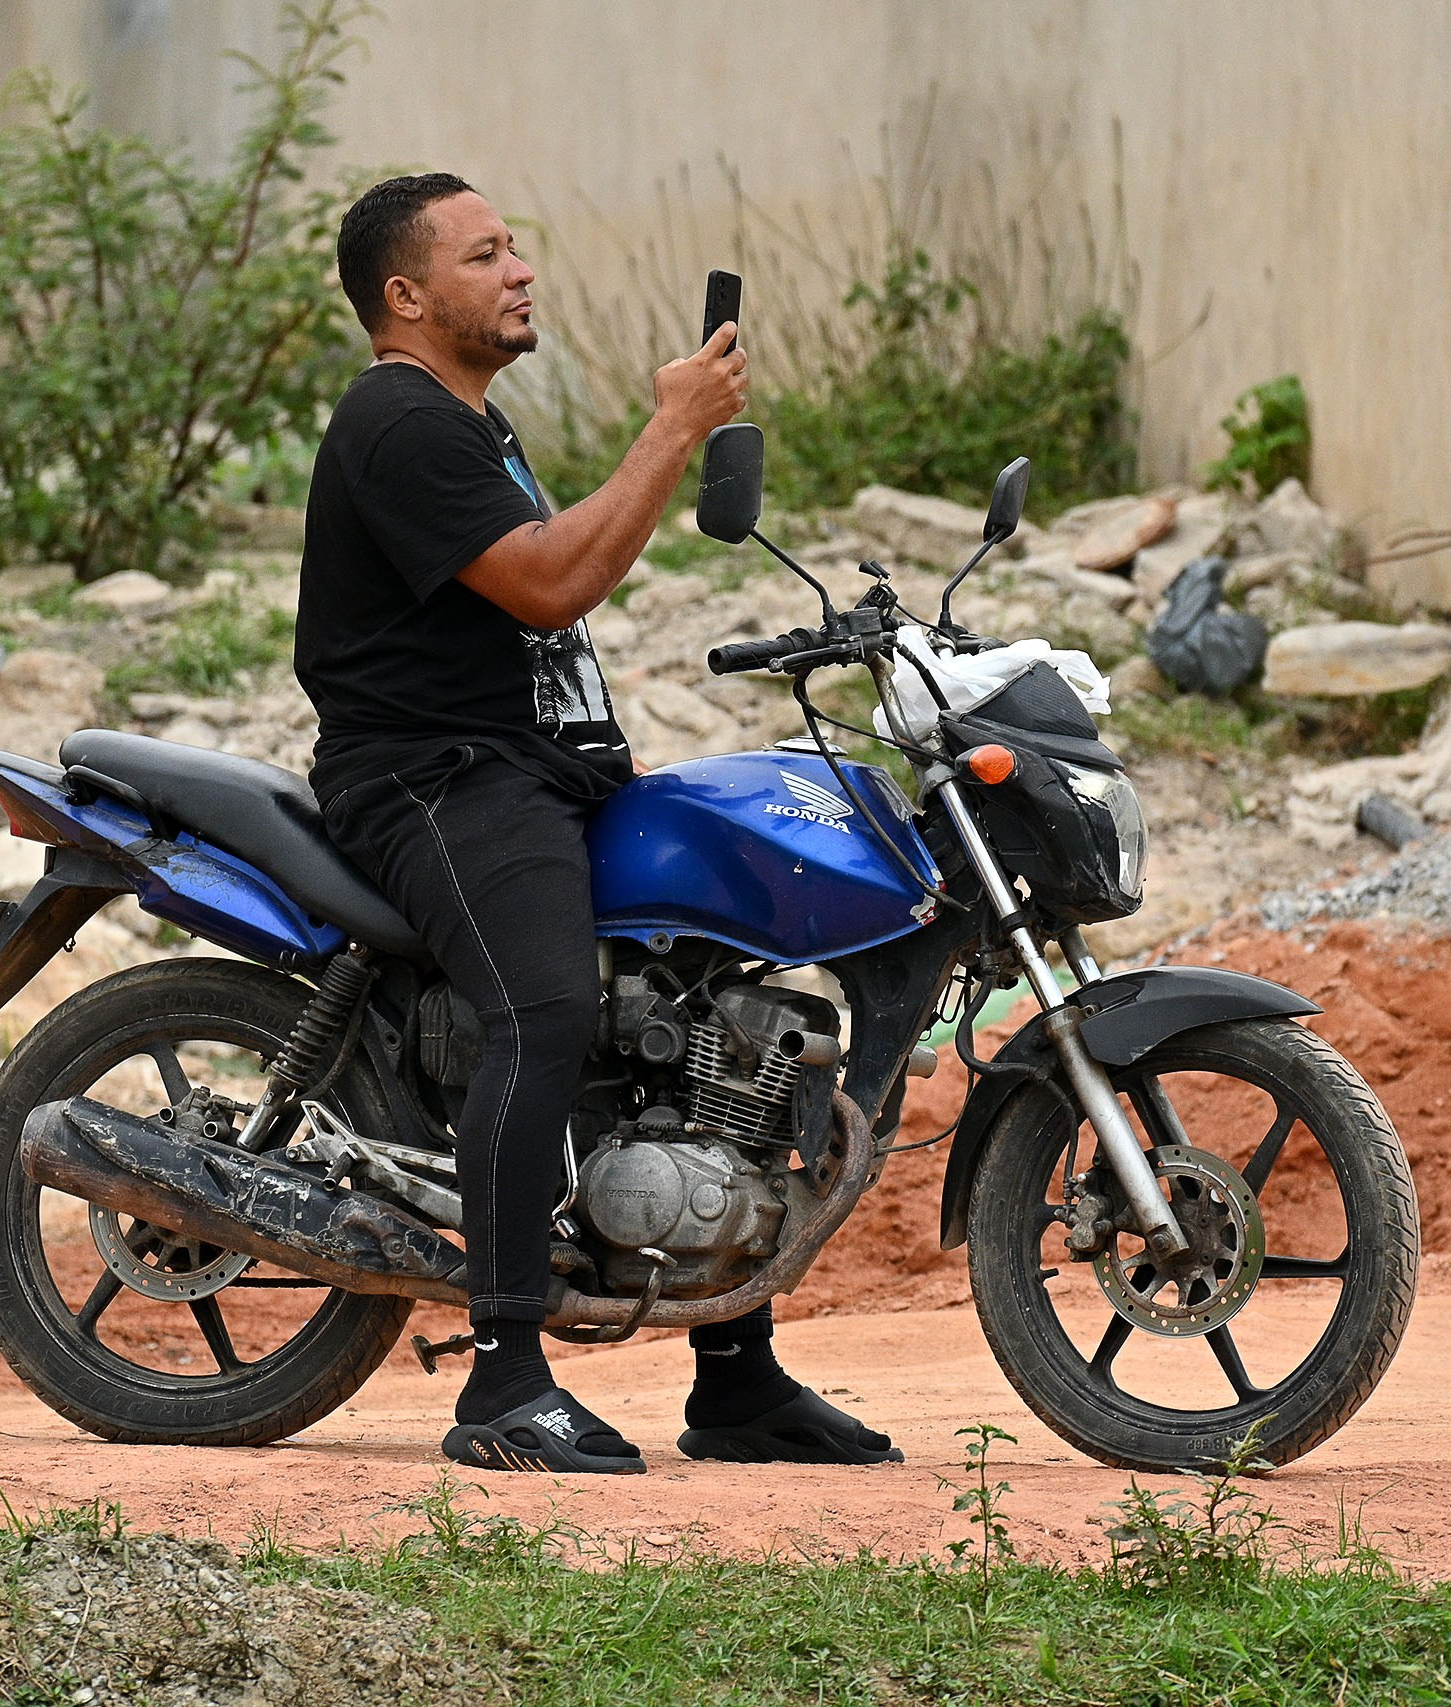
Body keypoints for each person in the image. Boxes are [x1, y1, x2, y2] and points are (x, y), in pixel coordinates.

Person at [294, 173, 901, 1475]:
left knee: (704, 1003)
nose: (520, 271)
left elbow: (546, 586)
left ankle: (735, 1378)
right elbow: (551, 580)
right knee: (547, 1011)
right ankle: (504, 1385)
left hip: (536, 774)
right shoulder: (397, 421)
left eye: (517, 248)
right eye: (485, 255)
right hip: (435, 781)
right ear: (406, 297)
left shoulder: (469, 422)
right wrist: (671, 428)